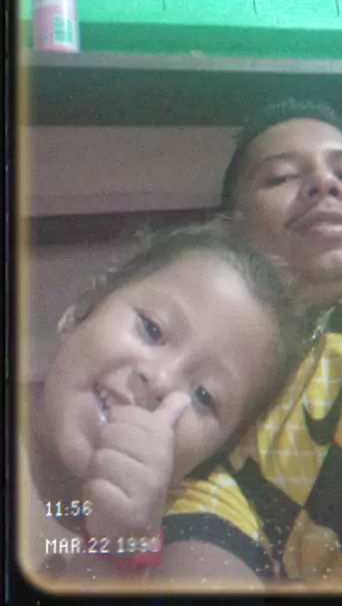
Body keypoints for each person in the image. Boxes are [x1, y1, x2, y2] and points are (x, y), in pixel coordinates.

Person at [156, 96, 342, 593]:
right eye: (280, 178)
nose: (326, 183)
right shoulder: (236, 441)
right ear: (230, 234)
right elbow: (201, 556)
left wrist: (316, 179)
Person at [19, 223, 308, 584]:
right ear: (83, 309)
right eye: (152, 329)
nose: (162, 381)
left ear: (210, 458)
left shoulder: (167, 557)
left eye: (204, 396)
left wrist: (118, 550)